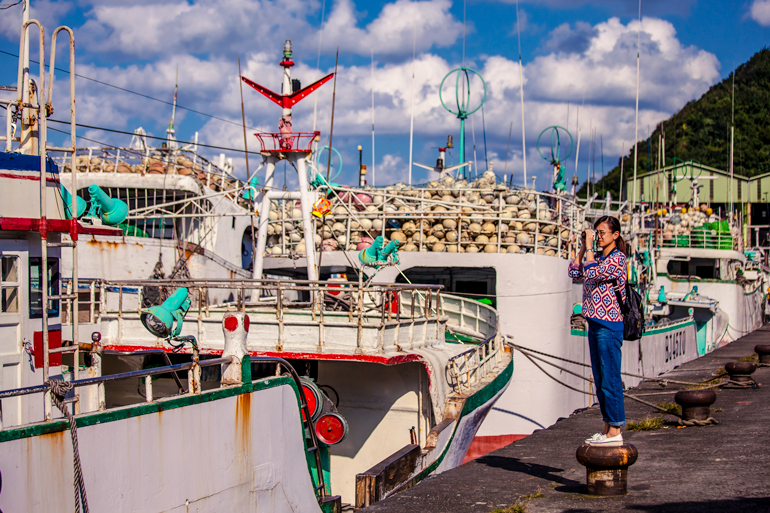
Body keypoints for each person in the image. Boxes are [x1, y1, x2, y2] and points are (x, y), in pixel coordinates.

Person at [568, 215, 628, 446]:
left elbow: (592, 272)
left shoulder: (618, 259)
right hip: (594, 323)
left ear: (615, 235)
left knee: (610, 379)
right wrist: (584, 248)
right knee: (600, 378)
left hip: (609, 326)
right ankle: (607, 430)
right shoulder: (598, 257)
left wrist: (591, 249)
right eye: (596, 232)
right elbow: (574, 272)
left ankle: (615, 430)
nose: (599, 236)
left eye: (602, 232)